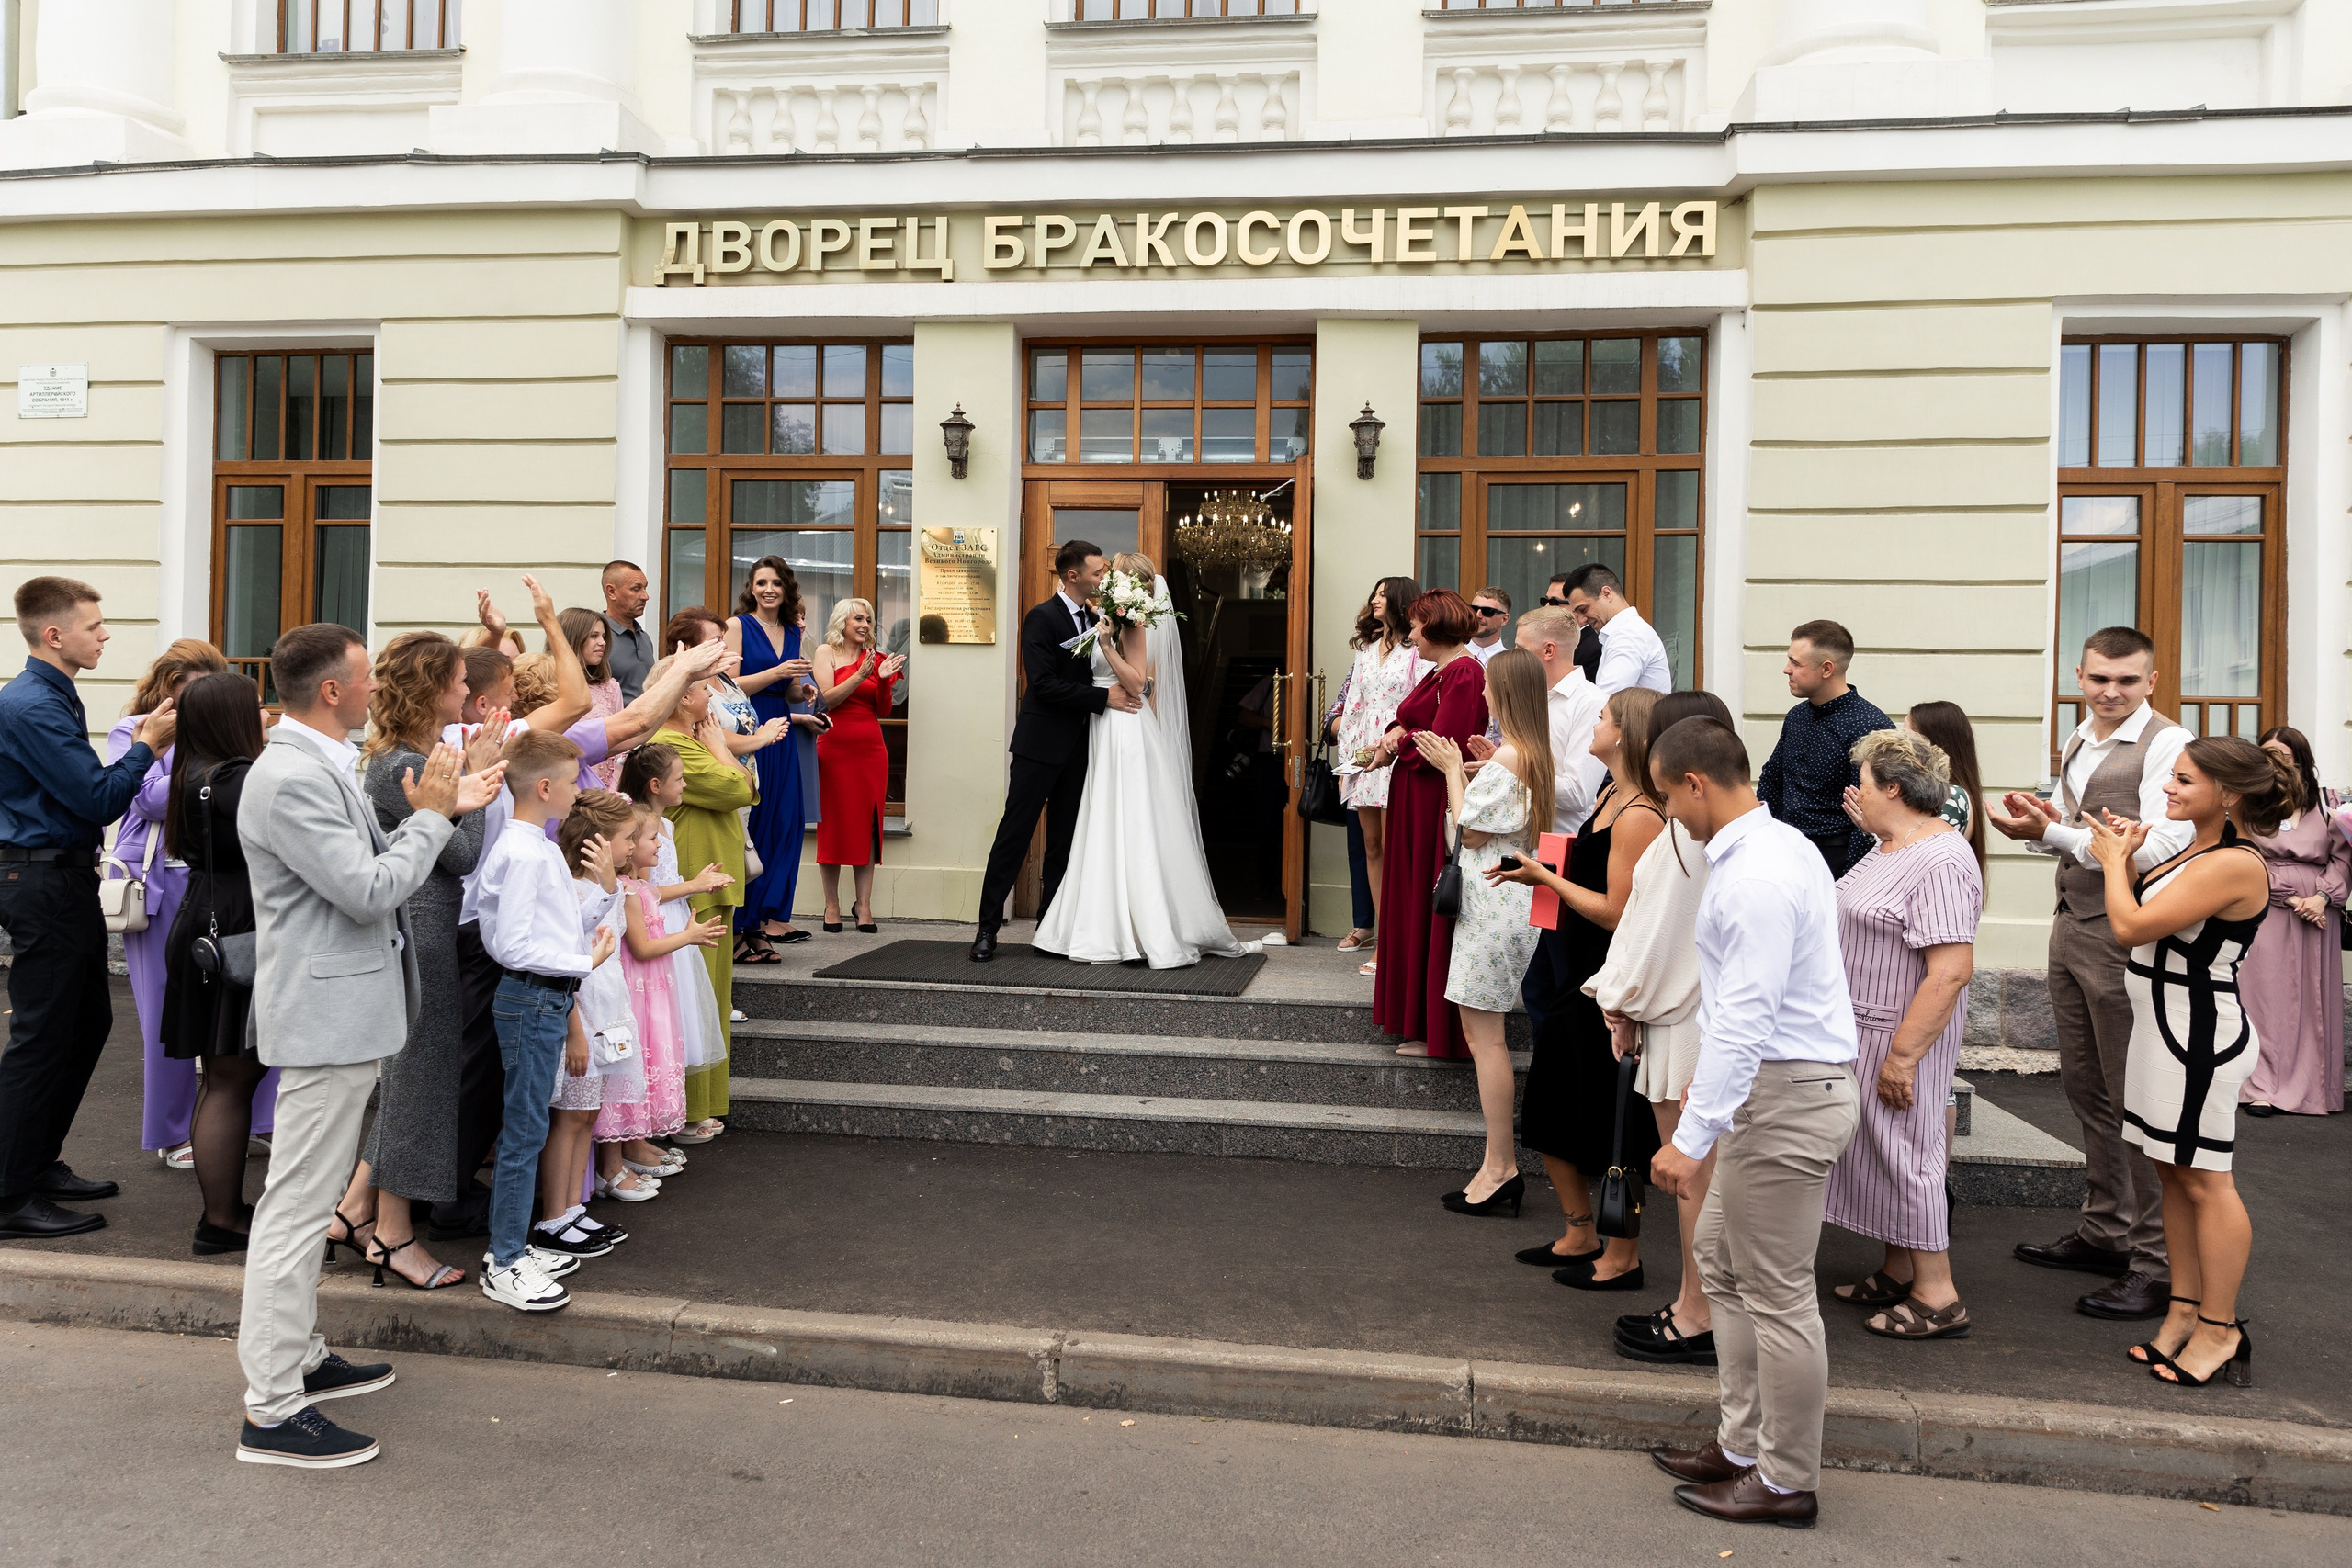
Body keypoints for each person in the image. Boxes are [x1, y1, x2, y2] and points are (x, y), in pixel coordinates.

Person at [233, 621, 501, 1469]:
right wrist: (432, 820)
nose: (377, 690)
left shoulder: (321, 761)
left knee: (307, 1203)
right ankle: (271, 1410)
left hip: (343, 1013)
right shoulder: (290, 776)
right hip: (323, 1017)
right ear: (332, 692)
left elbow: (373, 859)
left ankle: (302, 1358)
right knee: (295, 1212)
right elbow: (365, 889)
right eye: (363, 677)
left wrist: (445, 812)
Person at [1645, 716, 1859, 1529]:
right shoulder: (1775, 847)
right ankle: (1741, 1449)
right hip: (1770, 1090)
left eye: (1668, 794)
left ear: (1696, 783)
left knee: (1776, 1293)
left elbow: (1748, 1015)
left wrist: (1690, 1137)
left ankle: (1786, 1477)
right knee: (1722, 1262)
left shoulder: (1756, 875)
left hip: (1787, 1093)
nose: (1667, 811)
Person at [1989, 626, 2188, 1323]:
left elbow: (2160, 845)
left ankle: (2156, 1264)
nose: (2111, 691)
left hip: (2122, 937)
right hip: (2071, 924)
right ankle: (2108, 1230)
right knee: (2085, 1087)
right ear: (2080, 673)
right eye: (2100, 678)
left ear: (2152, 681)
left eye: (2127, 681)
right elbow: (2086, 836)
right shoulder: (2078, 736)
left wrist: (2050, 832)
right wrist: (2043, 819)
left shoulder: (2168, 743)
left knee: (2134, 1099)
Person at [2088, 736, 2294, 1390]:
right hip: (2165, 1030)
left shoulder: (2237, 862)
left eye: (2183, 780)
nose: (2169, 789)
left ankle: (2221, 1327)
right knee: (2173, 1176)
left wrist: (2116, 862)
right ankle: (2182, 1312)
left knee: (2208, 1180)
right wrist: (2124, 849)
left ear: (2228, 794)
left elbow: (2129, 926)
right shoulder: (2199, 847)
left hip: (2198, 1036)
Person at [0, 577, 175, 1240]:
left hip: (58, 877)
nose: (104, 635)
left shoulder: (50, 694)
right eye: (94, 625)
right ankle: (9, 1193)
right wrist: (147, 745)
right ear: (55, 634)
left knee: (84, 1022)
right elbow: (97, 798)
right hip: (39, 879)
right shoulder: (32, 704)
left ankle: (35, 1164)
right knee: (43, 1036)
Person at [327, 633, 501, 1292]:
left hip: (428, 931)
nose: (465, 690)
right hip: (419, 933)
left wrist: (465, 776)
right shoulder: (395, 763)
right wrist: (474, 782)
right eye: (457, 679)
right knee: (419, 1084)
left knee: (418, 1079)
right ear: (432, 688)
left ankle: (351, 1213)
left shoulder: (419, 754)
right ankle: (394, 1236)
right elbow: (459, 856)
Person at [1497, 688, 1665, 1290]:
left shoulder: (1641, 812)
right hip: (1579, 970)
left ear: (1624, 735)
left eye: (1602, 718)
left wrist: (1547, 877)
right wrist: (1540, 873)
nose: (1594, 724)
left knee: (1611, 1120)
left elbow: (1618, 911)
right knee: (1549, 1108)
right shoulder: (1610, 793)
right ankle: (1580, 1231)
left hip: (1609, 979)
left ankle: (1623, 1254)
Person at [1823, 729, 1984, 1341]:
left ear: (1893, 786)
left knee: (1908, 1153)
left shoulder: (1940, 856)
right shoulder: (1895, 841)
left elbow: (1949, 971)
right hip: (1864, 1030)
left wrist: (1903, 1058)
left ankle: (1938, 1296)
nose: (1857, 789)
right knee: (1881, 1151)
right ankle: (1898, 1268)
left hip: (1898, 1035)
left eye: (1865, 778)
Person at [1034, 553, 1259, 969]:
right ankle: (1098, 920)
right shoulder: (1110, 615)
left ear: (1126, 583)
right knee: (1103, 820)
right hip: (1103, 726)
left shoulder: (1134, 621)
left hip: (1124, 730)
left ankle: (1140, 927)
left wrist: (1104, 644)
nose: (1104, 577)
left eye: (1111, 572)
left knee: (1128, 819)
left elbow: (1137, 682)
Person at [1588, 689, 1724, 1369]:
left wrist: (1619, 1001)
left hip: (1681, 1015)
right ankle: (1692, 1302)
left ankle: (1698, 1313)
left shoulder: (1686, 835)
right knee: (1696, 1182)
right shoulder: (1697, 829)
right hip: (1684, 1011)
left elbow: (1656, 936)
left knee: (1694, 1182)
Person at [107, 638, 266, 1170]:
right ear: (165, 688)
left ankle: (252, 1121)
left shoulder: (234, 742)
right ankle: (174, 1134)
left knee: (250, 1009)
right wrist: (189, 756)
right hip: (158, 885)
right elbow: (146, 797)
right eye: (184, 692)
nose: (194, 704)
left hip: (226, 883)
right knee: (165, 1017)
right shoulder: (135, 732)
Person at [474, 727, 616, 1314]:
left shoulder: (536, 845)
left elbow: (558, 926)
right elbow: (511, 945)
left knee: (527, 1127)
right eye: (573, 778)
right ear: (544, 785)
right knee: (526, 1130)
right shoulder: (523, 851)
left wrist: (606, 891)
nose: (579, 790)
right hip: (532, 998)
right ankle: (504, 1259)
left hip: (545, 997)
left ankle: (512, 1248)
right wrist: (584, 962)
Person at [1413, 649, 1553, 1217]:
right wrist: (1482, 767)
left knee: (1485, 1040)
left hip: (1493, 907)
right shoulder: (1528, 753)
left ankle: (1501, 1166)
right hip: (1509, 904)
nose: (1485, 696)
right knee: (1484, 1037)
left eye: (1492, 688)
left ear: (1506, 694)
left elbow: (1468, 831)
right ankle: (1498, 1164)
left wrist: (1452, 772)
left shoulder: (1512, 758)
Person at [970, 540, 1143, 964]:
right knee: (1014, 835)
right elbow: (1043, 685)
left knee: (1064, 843)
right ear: (1072, 576)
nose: (1104, 578)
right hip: (1039, 745)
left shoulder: (1103, 618)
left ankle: (1049, 929)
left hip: (1084, 748)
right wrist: (1103, 701)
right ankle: (986, 930)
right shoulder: (1042, 618)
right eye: (1098, 572)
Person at [158, 672, 274, 1257]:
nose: (265, 714)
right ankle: (222, 1219)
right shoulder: (235, 778)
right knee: (231, 1079)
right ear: (232, 716)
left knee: (225, 1077)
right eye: (255, 706)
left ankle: (224, 1211)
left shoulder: (195, 771)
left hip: (206, 916)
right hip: (232, 924)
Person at [1370, 590, 1489, 1059]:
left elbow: (1447, 745)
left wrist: (1399, 743)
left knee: (1425, 904)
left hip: (1428, 800)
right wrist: (1397, 735)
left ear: (1436, 628)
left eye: (1418, 626)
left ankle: (1432, 1028)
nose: (1413, 635)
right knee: (1410, 902)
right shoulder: (1443, 670)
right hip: (1412, 799)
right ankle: (1412, 1019)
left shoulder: (1462, 671)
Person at [597, 796, 725, 1195]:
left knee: (644, 1069)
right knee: (630, 1074)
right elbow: (641, 948)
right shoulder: (628, 891)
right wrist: (688, 937)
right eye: (653, 838)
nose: (660, 845)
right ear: (629, 846)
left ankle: (632, 1147)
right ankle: (613, 1163)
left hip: (652, 989)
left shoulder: (640, 887)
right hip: (638, 991)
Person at [652, 667, 759, 1138]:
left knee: (714, 998)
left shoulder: (691, 739)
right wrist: (722, 751)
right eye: (700, 690)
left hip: (712, 879)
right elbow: (740, 789)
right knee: (697, 1000)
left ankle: (705, 1104)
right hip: (696, 884)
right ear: (680, 699)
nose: (710, 696)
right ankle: (688, 1111)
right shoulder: (674, 744)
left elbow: (745, 789)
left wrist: (722, 755)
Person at [619, 745, 733, 1134]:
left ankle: (663, 1119)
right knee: (660, 1017)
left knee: (675, 1020)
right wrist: (695, 885)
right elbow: (642, 889)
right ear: (655, 785)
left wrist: (691, 884)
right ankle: (647, 1125)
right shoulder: (643, 824)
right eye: (679, 778)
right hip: (658, 923)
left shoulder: (664, 825)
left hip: (675, 918)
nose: (685, 784)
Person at [2236, 727, 2346, 1117]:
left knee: (2315, 999)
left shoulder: (2326, 802)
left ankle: (2318, 1090)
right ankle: (2263, 1087)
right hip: (2268, 907)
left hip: (2319, 914)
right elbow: (2244, 855)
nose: (2275, 762)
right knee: (2265, 997)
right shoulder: (2248, 805)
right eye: (2267, 754)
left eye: (2283, 755)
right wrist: (2291, 895)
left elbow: (2343, 857)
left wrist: (2323, 897)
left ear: (2300, 760)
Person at [1510, 603, 1608, 1039]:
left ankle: (1564, 1079)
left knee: (1559, 978)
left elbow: (1576, 793)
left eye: (1521, 649)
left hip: (1563, 852)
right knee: (1537, 984)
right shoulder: (1535, 699)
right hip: (1533, 848)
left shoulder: (1588, 703)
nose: (1512, 658)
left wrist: (1518, 768)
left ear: (1548, 650)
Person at [727, 556, 825, 960]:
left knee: (783, 826)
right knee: (753, 824)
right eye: (761, 582)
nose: (768, 589)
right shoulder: (736, 627)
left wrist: (801, 693)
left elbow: (787, 689)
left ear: (786, 589)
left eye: (776, 583)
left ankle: (761, 922)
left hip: (781, 728)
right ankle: (736, 928)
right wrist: (778, 673)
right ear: (751, 588)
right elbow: (729, 684)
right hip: (749, 730)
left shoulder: (791, 630)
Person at [1331, 575, 1423, 967]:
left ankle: (1396, 946)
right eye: (1374, 592)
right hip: (1365, 757)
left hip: (1396, 754)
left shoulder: (1417, 650)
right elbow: (1353, 708)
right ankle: (1382, 939)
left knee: (1395, 848)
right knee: (1372, 847)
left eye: (1384, 594)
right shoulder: (1366, 651)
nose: (1375, 599)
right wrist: (1347, 764)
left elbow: (1419, 705)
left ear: (1401, 601)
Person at [1756, 620, 1894, 880]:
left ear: (1826, 669)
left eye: (1796, 663)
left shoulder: (1870, 726)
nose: (1787, 670)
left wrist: (1849, 881)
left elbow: (1870, 813)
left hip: (1835, 861)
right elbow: (1771, 782)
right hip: (1784, 853)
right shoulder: (1796, 717)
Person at [812, 596, 905, 934]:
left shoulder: (877, 659)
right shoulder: (826, 653)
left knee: (868, 827)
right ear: (842, 623)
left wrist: (880, 679)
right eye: (858, 619)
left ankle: (863, 906)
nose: (865, 625)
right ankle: (832, 904)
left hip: (870, 748)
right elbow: (825, 699)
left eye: (868, 619)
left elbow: (883, 708)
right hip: (833, 745)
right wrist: (860, 676)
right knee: (834, 826)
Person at [1561, 563, 1671, 695]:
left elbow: (1607, 699)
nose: (1583, 619)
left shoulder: (1628, 635)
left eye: (1584, 609)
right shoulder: (1625, 633)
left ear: (1606, 593)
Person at [1907, 700, 1988, 873]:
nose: (1900, 745)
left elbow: (1914, 856)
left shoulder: (1951, 797)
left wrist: (1872, 828)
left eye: (1906, 737)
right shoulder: (1942, 792)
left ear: (1928, 742)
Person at [556, 607, 625, 788]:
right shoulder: (549, 685)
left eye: (603, 636)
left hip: (606, 791)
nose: (602, 642)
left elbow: (622, 743)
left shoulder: (611, 688)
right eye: (594, 636)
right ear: (574, 637)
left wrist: (613, 790)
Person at [600, 559, 656, 704]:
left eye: (645, 588)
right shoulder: (596, 637)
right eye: (636, 589)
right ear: (611, 592)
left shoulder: (644, 638)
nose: (645, 596)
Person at [1540, 572, 1603, 685]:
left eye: (1555, 602)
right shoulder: (1546, 641)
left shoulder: (1593, 649)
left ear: (1577, 607)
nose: (1546, 607)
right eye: (1545, 601)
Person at [1466, 585, 1513, 664]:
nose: (1478, 615)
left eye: (1487, 611)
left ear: (1504, 619)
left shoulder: (1511, 663)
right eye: (1473, 609)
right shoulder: (1450, 657)